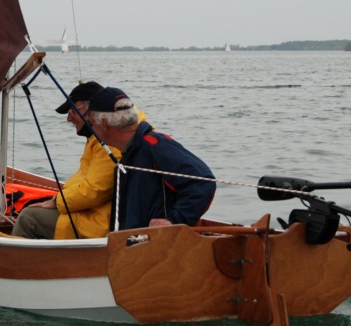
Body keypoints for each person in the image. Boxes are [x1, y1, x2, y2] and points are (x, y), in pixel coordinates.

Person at [85, 86, 215, 231]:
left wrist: (172, 221)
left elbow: (204, 183)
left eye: (91, 124)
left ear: (103, 123)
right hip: (130, 246)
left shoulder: (155, 146)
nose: (91, 130)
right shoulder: (130, 152)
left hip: (155, 246)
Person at [12, 81, 118, 240]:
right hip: (90, 211)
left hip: (98, 221)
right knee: (34, 208)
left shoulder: (109, 142)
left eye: (72, 111)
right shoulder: (97, 139)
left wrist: (56, 202)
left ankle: (12, 261)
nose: (69, 119)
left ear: (90, 110)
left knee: (29, 218)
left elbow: (94, 191)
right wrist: (56, 200)